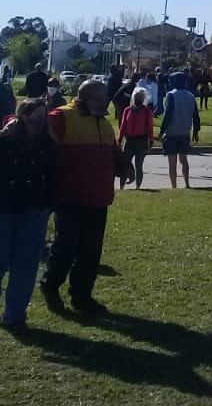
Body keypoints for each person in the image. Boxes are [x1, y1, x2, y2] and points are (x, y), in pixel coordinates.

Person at [40, 79, 128, 316]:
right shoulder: (62, 117)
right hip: (70, 197)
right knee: (65, 248)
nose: (105, 102)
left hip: (98, 198)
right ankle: (50, 285)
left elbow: (112, 151)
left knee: (91, 252)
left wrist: (123, 167)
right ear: (86, 97)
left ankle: (81, 296)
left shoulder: (104, 123)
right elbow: (40, 141)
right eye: (101, 98)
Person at [0, 97, 56, 331]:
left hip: (33, 211)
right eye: (33, 117)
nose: (38, 123)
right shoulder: (1, 142)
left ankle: (15, 316)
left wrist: (51, 204)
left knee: (26, 264)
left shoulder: (47, 144)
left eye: (42, 117)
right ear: (22, 116)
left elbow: (52, 177)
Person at [160, 71, 201, 189]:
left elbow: (168, 114)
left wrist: (162, 131)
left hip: (172, 133)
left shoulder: (171, 95)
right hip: (185, 132)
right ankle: (187, 183)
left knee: (172, 163)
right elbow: (196, 116)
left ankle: (174, 186)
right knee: (184, 160)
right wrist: (196, 132)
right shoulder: (191, 96)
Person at [118, 86, 155, 190]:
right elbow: (123, 126)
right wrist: (120, 140)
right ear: (134, 98)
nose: (138, 100)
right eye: (137, 97)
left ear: (143, 99)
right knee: (125, 164)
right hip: (129, 140)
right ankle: (122, 187)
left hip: (141, 141)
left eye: (140, 98)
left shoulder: (147, 111)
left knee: (139, 165)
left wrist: (151, 141)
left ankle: (138, 187)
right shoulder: (127, 110)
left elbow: (149, 127)